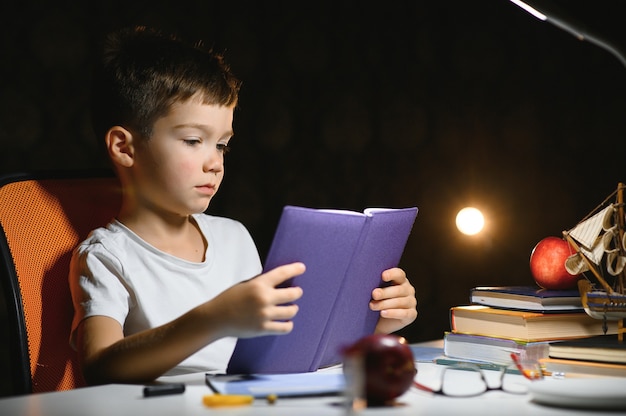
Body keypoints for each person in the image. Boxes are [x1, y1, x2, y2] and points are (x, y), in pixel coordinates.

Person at [69, 26, 418, 385]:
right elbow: (99, 367)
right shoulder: (106, 255)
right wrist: (212, 319)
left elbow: (279, 349)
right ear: (125, 148)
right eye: (193, 140)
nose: (215, 163)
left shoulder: (233, 236)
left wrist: (378, 323)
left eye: (222, 145)